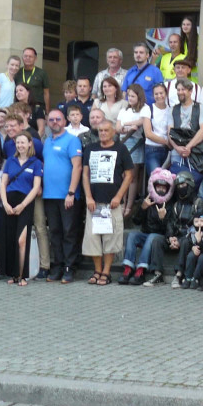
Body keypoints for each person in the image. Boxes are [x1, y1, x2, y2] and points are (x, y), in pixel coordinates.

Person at [81, 120, 134, 285]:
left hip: (112, 203)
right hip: (94, 203)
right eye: (100, 130)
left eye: (106, 130)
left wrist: (119, 197)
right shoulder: (90, 149)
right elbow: (85, 175)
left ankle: (106, 271)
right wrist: (88, 197)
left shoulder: (121, 149)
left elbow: (129, 175)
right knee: (93, 237)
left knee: (111, 238)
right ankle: (97, 270)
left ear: (113, 132)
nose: (103, 133)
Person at [41, 109, 82, 283]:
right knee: (55, 233)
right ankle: (57, 267)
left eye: (58, 119)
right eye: (51, 120)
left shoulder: (72, 140)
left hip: (67, 195)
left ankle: (69, 268)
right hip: (49, 195)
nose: (55, 122)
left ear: (64, 121)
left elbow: (77, 167)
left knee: (69, 233)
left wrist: (71, 192)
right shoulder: (47, 142)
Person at [0, 130, 43, 286]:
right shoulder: (10, 161)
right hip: (9, 201)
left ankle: (22, 275)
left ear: (30, 143)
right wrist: (5, 203)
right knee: (10, 239)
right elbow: (3, 184)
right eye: (18, 142)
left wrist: (23, 205)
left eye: (23, 142)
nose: (20, 145)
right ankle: (13, 274)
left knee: (22, 240)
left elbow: (36, 187)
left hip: (25, 202)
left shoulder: (36, 163)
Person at [119, 168, 174, 287]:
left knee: (152, 237)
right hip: (145, 234)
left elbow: (169, 229)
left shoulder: (169, 205)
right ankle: (128, 268)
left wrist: (162, 218)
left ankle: (141, 270)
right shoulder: (147, 201)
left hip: (159, 238)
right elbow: (136, 221)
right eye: (158, 187)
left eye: (164, 188)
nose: (161, 190)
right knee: (132, 235)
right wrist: (142, 209)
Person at [167, 77, 203, 189]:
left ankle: (198, 206)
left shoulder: (200, 107)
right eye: (178, 90)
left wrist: (188, 147)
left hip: (195, 152)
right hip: (177, 153)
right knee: (177, 186)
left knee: (198, 186)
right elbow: (169, 132)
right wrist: (177, 148)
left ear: (190, 91)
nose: (180, 92)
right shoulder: (173, 109)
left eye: (183, 89)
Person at [117, 85, 150, 217]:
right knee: (122, 176)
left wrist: (128, 124)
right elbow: (118, 127)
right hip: (123, 142)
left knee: (132, 177)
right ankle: (122, 203)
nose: (129, 98)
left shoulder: (145, 108)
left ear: (139, 96)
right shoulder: (123, 110)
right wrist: (128, 125)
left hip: (136, 143)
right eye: (128, 95)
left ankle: (129, 206)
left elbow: (142, 121)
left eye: (132, 96)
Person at [142, 84, 172, 176]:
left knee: (168, 179)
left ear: (166, 94)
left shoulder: (170, 110)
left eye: (161, 93)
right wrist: (166, 142)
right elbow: (148, 133)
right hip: (152, 149)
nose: (159, 96)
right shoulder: (148, 108)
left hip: (167, 150)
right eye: (156, 94)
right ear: (153, 95)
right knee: (156, 178)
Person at [16, 46, 51, 112]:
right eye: (25, 56)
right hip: (20, 107)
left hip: (37, 107)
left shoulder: (42, 73)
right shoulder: (17, 72)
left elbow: (46, 93)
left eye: (30, 56)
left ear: (35, 58)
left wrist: (47, 111)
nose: (27, 58)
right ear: (22, 58)